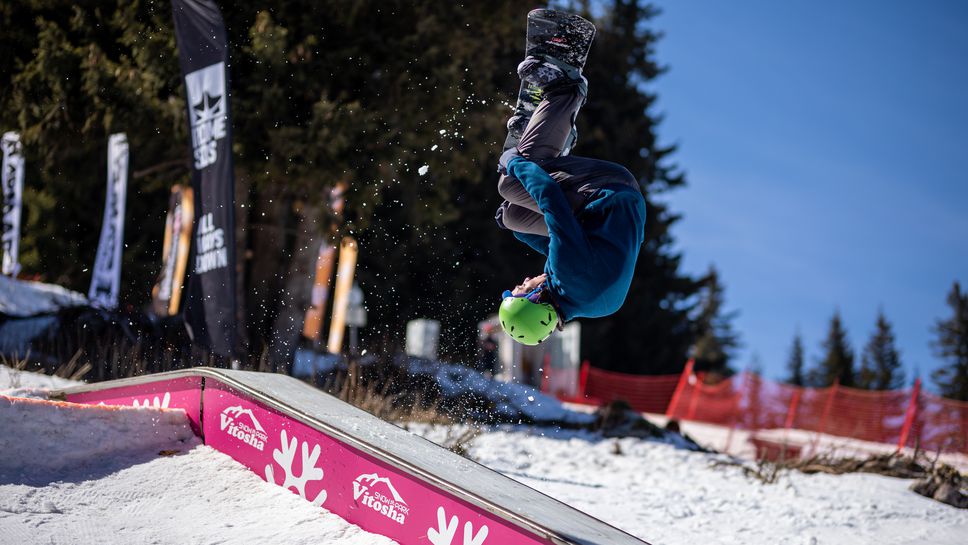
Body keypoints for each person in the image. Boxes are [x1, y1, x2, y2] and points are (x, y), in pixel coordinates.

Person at [495, 51, 647, 346]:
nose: (521, 283)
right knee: (510, 184)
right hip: (608, 190)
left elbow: (562, 244)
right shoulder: (569, 274)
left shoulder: (584, 301)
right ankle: (564, 88)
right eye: (519, 290)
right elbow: (552, 201)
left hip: (604, 210)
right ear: (535, 299)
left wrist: (517, 230)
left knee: (513, 217)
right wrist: (514, 162)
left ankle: (549, 137)